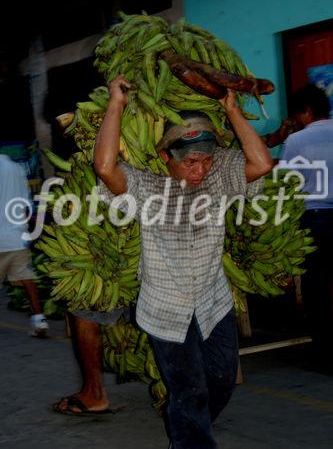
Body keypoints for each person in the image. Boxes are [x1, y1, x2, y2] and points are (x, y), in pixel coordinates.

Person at [91, 74, 273, 448]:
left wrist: (233, 111)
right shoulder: (147, 188)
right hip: (165, 308)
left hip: (212, 302)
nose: (199, 169)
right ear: (166, 158)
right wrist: (116, 105)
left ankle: (186, 429)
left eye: (206, 160)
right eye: (190, 162)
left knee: (221, 380)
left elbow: (261, 164)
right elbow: (106, 169)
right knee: (189, 391)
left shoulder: (219, 178)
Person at [279, 83, 333, 369]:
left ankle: (325, 355)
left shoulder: (297, 140)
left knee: (317, 289)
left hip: (316, 219)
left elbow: (286, 184)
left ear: (306, 111)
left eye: (297, 115)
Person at [0, 153, 49, 336]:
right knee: (27, 277)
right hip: (17, 235)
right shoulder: (18, 169)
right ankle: (40, 320)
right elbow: (27, 206)